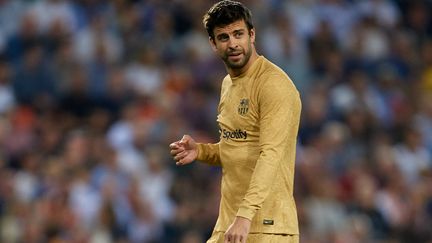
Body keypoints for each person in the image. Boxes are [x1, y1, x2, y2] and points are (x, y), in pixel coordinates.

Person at [169, 1, 301, 242]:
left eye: (238, 34)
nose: (232, 44)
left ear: (252, 35)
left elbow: (270, 154)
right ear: (213, 44)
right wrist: (201, 151)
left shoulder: (273, 85)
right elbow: (238, 147)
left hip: (266, 227)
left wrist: (245, 216)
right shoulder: (228, 84)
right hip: (230, 225)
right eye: (223, 37)